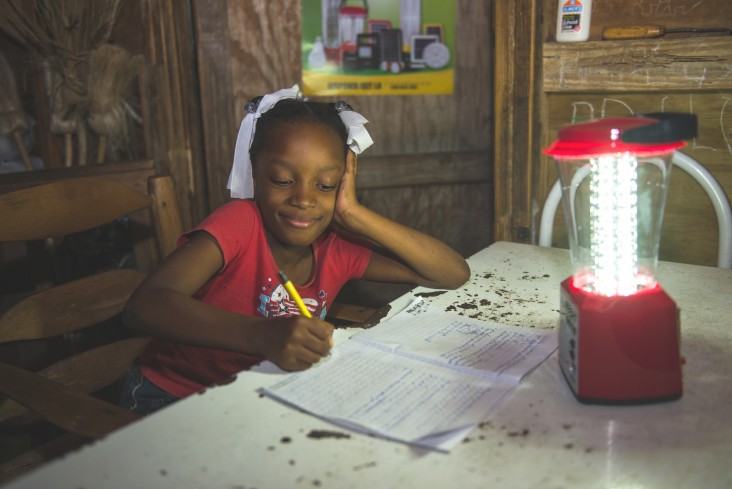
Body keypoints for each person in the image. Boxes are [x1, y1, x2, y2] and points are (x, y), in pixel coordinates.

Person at [120, 85, 470, 414]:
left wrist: (354, 214)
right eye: (283, 180)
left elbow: (452, 273)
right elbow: (144, 306)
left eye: (326, 184)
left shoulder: (338, 245)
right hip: (175, 398)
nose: (303, 199)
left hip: (261, 399)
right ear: (255, 172)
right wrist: (262, 334)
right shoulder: (239, 224)